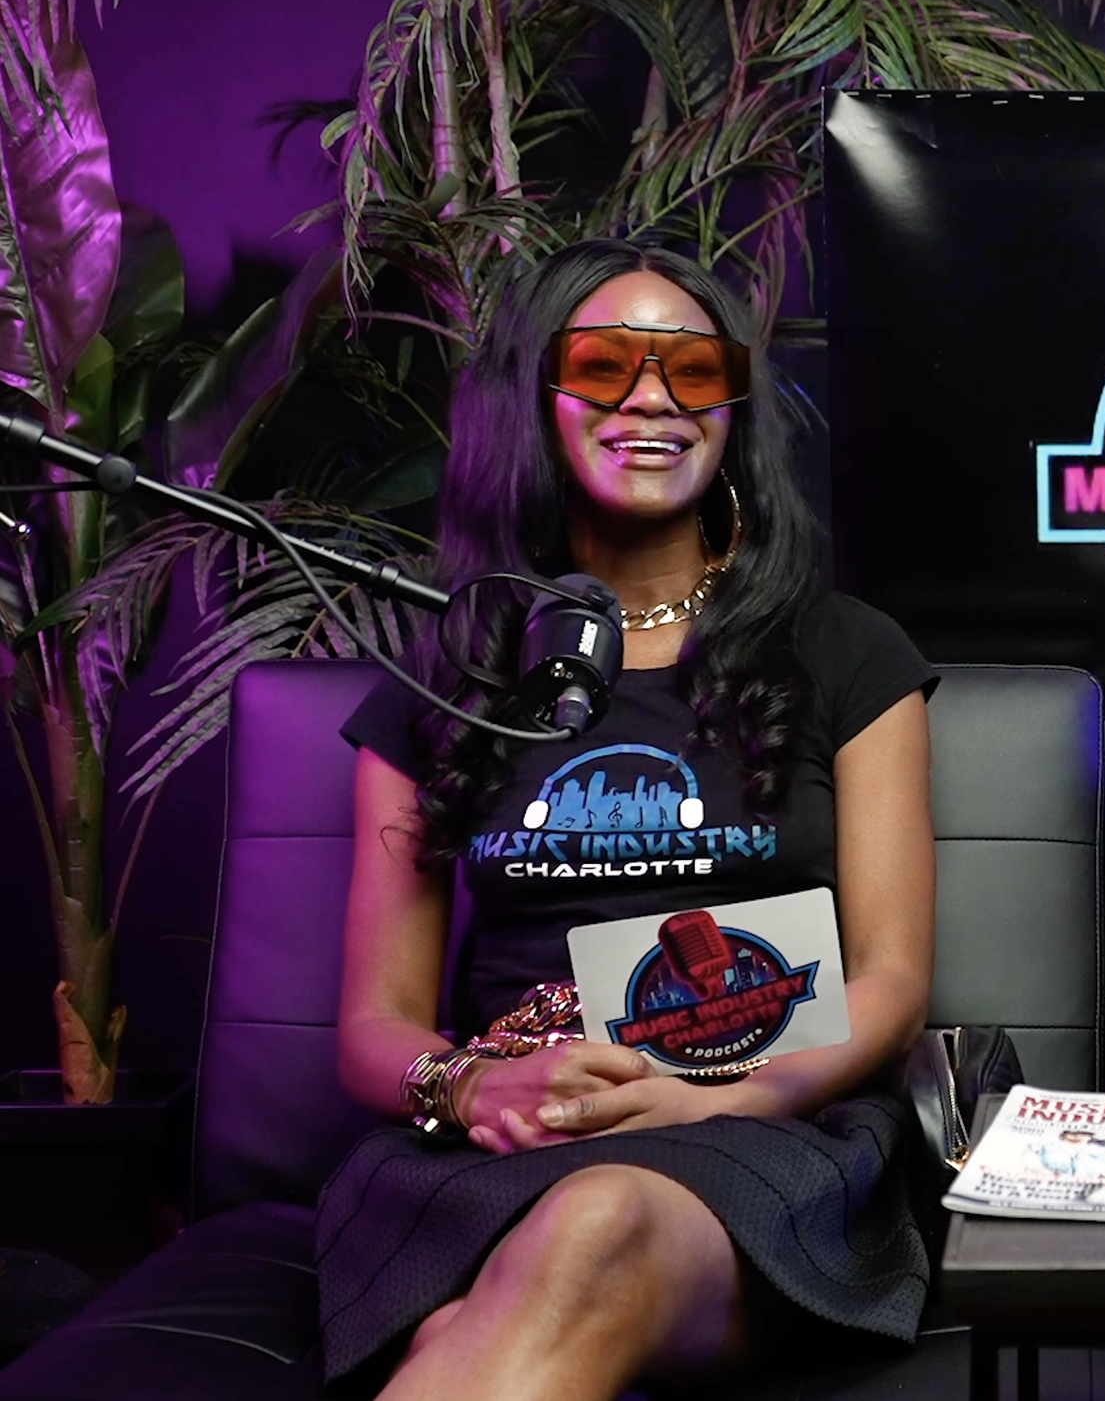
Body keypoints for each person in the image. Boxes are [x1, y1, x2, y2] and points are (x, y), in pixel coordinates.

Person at [321, 239, 937, 1400]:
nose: (653, 398)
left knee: (591, 1229)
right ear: (536, 398)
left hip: (763, 1130)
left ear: (731, 411)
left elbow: (893, 979)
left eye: (692, 369)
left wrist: (728, 1094)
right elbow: (370, 1022)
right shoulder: (446, 673)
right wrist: (470, 1087)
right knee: (529, 1279)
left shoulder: (847, 652)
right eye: (606, 364)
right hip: (506, 1135)